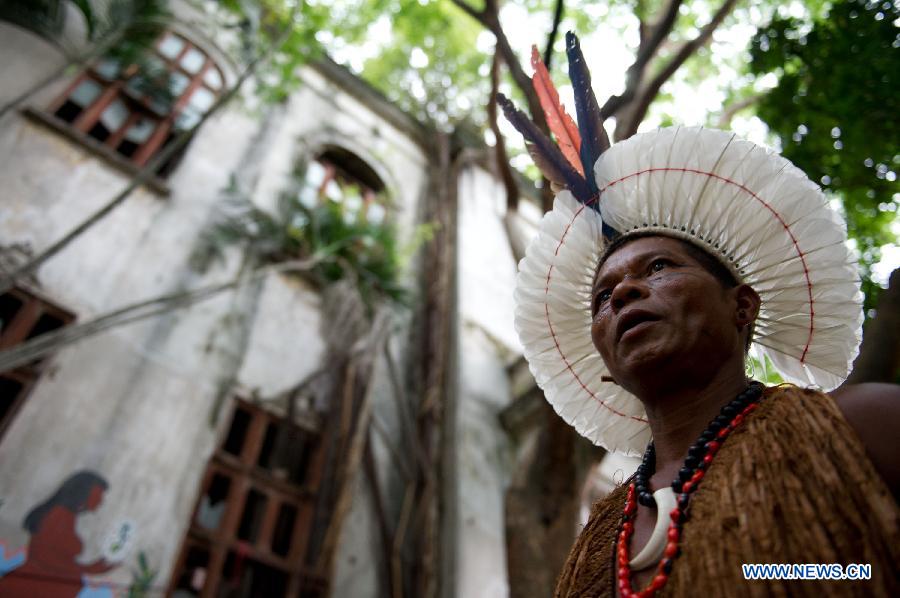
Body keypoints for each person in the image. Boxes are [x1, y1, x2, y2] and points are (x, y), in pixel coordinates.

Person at [502, 37, 899, 595]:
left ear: (742, 305)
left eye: (658, 266)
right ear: (608, 371)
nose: (622, 295)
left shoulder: (860, 428)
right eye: (602, 296)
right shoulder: (592, 545)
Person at [0, 470, 117, 597]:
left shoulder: (67, 516)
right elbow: (46, 559)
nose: (101, 501)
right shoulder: (58, 516)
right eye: (99, 495)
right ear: (83, 493)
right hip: (31, 589)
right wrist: (89, 569)